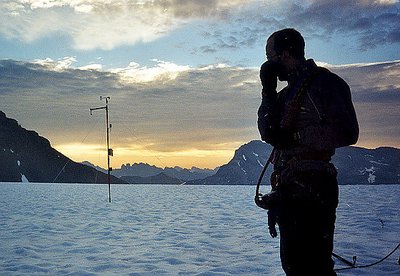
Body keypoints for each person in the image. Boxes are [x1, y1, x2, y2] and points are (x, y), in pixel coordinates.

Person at [257, 28, 359, 275]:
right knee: (293, 266)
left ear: (285, 54)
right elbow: (268, 132)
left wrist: (298, 136)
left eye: (270, 57)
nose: (268, 64)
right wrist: (268, 91)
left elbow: (347, 131)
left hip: (314, 188)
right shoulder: (285, 94)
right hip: (289, 188)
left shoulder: (326, 84)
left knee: (314, 268)